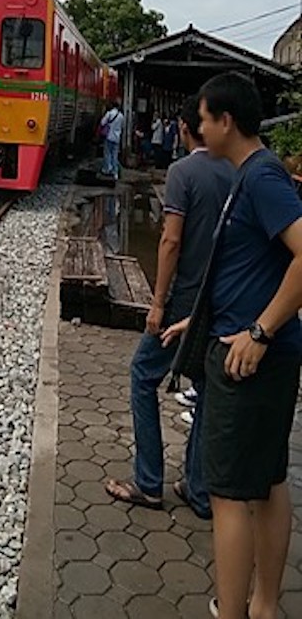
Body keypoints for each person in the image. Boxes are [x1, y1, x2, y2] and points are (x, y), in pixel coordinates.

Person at [163, 72, 302, 619]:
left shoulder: (262, 178)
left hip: (251, 360)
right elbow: (252, 266)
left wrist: (259, 330)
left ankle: (234, 610)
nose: (196, 128)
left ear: (225, 122)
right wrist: (196, 322)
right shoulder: (252, 176)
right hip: (259, 349)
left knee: (226, 494)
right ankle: (265, 605)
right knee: (267, 481)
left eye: (201, 119)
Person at [104, 94, 234, 517]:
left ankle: (148, 482)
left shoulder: (182, 171)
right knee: (208, 388)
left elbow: (171, 241)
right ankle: (197, 488)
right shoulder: (238, 171)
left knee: (142, 374)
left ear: (183, 129)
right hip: (223, 305)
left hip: (184, 303)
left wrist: (157, 304)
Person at [99, 101, 124, 180]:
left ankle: (107, 169)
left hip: (109, 136)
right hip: (117, 138)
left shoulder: (109, 114)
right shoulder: (121, 116)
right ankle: (115, 172)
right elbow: (122, 126)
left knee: (107, 153)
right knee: (115, 155)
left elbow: (102, 123)